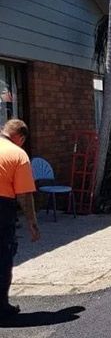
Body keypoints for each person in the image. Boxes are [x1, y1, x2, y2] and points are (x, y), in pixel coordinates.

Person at [0, 119, 40, 319]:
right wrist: (32, 223)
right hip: (2, 206)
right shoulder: (18, 154)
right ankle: (1, 306)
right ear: (21, 138)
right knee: (3, 256)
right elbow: (24, 195)